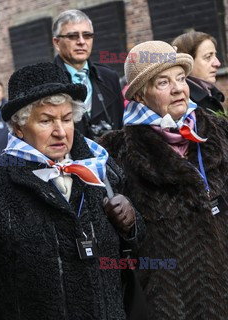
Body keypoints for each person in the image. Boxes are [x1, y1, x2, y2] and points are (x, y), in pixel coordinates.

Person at [0, 62, 145, 320]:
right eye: (46, 121)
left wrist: (131, 223)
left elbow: (132, 251)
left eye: (66, 119)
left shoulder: (100, 167)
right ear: (19, 127)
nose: (60, 131)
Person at [99, 41, 228, 319]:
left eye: (181, 79)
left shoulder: (218, 132)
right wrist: (129, 224)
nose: (178, 89)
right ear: (141, 96)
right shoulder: (116, 153)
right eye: (163, 82)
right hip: (170, 301)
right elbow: (115, 245)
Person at [52, 9, 124, 139]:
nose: (81, 41)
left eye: (87, 35)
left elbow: (120, 124)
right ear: (57, 43)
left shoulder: (109, 77)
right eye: (73, 36)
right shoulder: (46, 82)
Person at [172, 31, 225, 114]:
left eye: (215, 55)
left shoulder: (210, 93)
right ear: (187, 63)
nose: (217, 63)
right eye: (208, 57)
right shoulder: (184, 105)